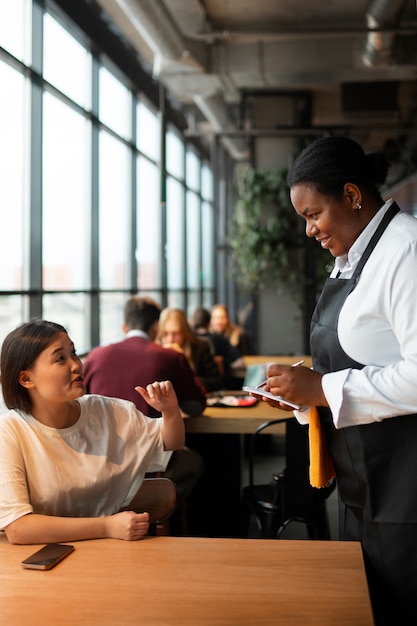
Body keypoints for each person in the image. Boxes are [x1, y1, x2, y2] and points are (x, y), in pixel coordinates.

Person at [260, 136, 417, 626]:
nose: (309, 230)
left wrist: (324, 390)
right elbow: (364, 355)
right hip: (362, 481)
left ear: (352, 196)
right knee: (366, 601)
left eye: (314, 215)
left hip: (406, 480)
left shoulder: (406, 250)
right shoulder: (352, 256)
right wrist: (304, 389)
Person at [0, 319, 185, 545]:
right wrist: (107, 526)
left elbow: (170, 442)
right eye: (60, 358)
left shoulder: (109, 412)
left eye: (74, 353)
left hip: (107, 553)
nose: (76, 365)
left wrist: (170, 412)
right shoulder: (10, 431)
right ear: (26, 378)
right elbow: (19, 528)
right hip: (39, 561)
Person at [82, 296, 206, 534]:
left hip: (98, 464)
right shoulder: (170, 357)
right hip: (151, 468)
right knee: (196, 462)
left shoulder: (96, 356)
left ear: (124, 327)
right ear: (155, 326)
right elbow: (196, 407)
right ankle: (165, 511)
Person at [155, 307, 223, 393]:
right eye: (165, 334)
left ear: (184, 333)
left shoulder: (200, 347)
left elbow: (216, 382)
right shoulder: (155, 350)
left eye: (176, 334)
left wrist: (183, 360)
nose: (170, 339)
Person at [190, 306, 245, 387]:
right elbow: (239, 361)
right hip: (219, 385)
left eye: (222, 317)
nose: (219, 321)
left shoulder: (190, 341)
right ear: (209, 322)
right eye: (216, 318)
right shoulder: (218, 339)